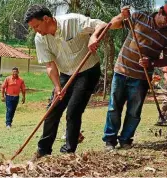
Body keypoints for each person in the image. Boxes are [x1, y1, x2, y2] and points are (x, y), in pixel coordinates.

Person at [24, 4, 107, 157]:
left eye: (36, 26)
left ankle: (68, 151)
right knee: (53, 109)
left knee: (73, 111)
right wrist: (57, 87)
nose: (36, 31)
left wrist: (93, 37)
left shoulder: (73, 21)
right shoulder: (40, 38)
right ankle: (43, 151)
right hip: (65, 73)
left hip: (87, 71)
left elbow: (101, 24)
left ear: (46, 19)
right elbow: (50, 64)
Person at [102, 2, 167, 151]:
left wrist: (151, 62)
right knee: (114, 107)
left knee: (134, 111)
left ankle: (126, 140)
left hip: (141, 77)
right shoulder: (139, 17)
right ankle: (110, 140)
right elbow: (112, 25)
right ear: (160, 12)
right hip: (121, 70)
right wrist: (122, 16)